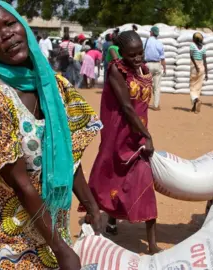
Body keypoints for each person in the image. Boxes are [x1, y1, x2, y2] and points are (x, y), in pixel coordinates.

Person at [0, 1, 103, 269]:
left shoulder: (54, 86)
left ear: (22, 25)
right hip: (2, 242)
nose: (7, 34)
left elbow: (68, 153)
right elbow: (21, 183)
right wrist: (59, 246)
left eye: (10, 23)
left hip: (47, 230)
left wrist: (91, 204)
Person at [87, 30, 161, 254]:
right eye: (133, 54)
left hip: (137, 132)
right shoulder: (115, 71)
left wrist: (143, 133)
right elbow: (127, 107)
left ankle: (152, 244)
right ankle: (105, 223)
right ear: (122, 53)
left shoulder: (142, 69)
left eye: (140, 53)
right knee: (115, 178)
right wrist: (147, 136)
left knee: (142, 180)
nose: (138, 58)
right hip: (120, 134)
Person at [144, 26, 166, 111]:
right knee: (157, 86)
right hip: (157, 65)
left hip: (148, 65)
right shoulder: (159, 43)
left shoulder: (146, 41)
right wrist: (164, 67)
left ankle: (144, 103)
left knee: (145, 84)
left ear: (151, 33)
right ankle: (156, 105)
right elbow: (162, 58)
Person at [189, 32, 208, 113]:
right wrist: (207, 73)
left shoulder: (192, 45)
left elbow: (191, 56)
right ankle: (194, 107)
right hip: (202, 68)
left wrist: (196, 66)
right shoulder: (203, 47)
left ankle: (197, 100)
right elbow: (205, 60)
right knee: (198, 87)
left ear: (194, 39)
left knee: (192, 86)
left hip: (195, 67)